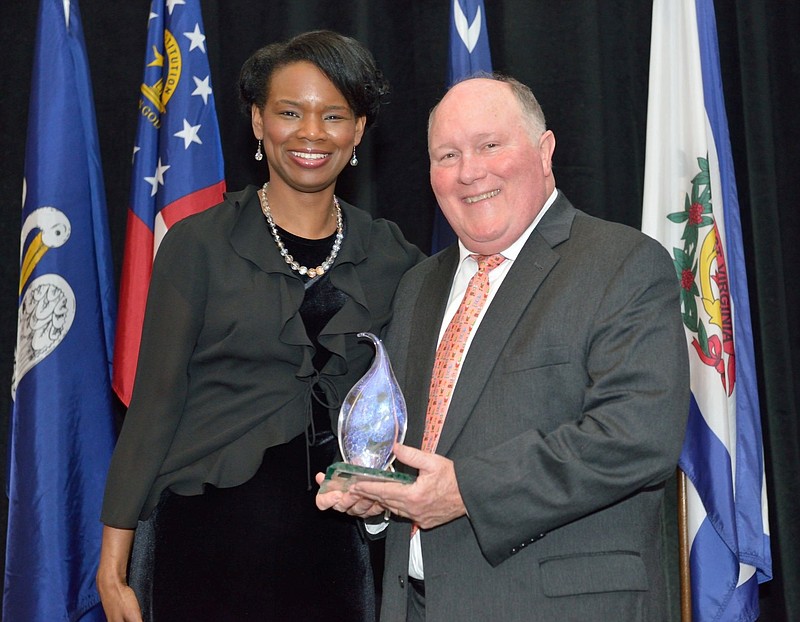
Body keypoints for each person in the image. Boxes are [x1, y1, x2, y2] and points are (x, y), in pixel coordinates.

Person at [317, 74, 690, 621]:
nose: (469, 171)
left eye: (490, 145)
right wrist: (380, 495)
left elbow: (636, 436)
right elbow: (416, 446)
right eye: (447, 155)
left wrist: (465, 490)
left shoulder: (623, 263)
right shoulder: (419, 285)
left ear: (545, 151)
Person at [97, 30, 423, 621]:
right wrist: (112, 567)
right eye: (290, 112)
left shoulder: (394, 257)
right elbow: (152, 410)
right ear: (257, 121)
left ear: (358, 131)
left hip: (333, 555)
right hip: (200, 543)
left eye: (334, 115)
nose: (311, 133)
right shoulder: (197, 244)